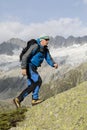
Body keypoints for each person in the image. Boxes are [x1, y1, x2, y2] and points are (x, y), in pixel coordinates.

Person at [13, 36, 58, 108]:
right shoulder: (35, 46)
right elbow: (25, 56)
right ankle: (34, 99)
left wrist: (53, 64)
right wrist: (24, 68)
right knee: (38, 81)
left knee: (32, 85)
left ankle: (19, 99)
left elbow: (48, 58)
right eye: (46, 40)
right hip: (29, 66)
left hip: (33, 67)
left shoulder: (45, 49)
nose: (47, 41)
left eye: (48, 40)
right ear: (41, 40)